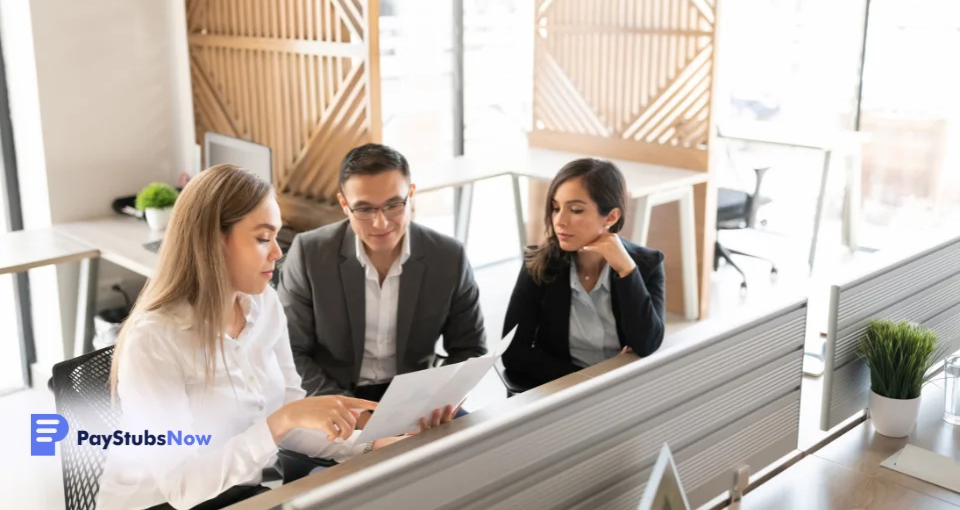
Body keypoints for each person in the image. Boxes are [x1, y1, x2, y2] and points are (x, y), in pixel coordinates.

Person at [97, 164, 452, 510]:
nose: (277, 252)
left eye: (276, 236)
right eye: (263, 238)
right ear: (213, 243)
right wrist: (280, 422)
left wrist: (371, 445)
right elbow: (182, 489)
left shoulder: (263, 304)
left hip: (240, 494)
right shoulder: (155, 340)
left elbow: (293, 417)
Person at [278, 143, 487, 412]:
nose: (381, 223)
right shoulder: (309, 253)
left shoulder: (448, 256)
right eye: (364, 209)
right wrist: (351, 412)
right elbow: (290, 352)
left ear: (411, 195)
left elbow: (470, 348)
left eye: (393, 205)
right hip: (333, 396)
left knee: (477, 449)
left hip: (417, 399)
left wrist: (439, 398)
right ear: (344, 204)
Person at [501, 158, 666, 388]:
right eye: (556, 208)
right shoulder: (538, 264)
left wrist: (626, 271)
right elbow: (512, 353)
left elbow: (649, 343)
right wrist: (593, 378)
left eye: (576, 210)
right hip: (561, 392)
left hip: (625, 393)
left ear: (611, 217)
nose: (559, 221)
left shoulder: (647, 265)